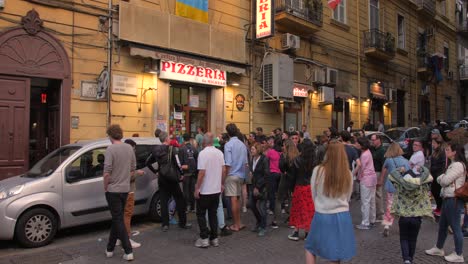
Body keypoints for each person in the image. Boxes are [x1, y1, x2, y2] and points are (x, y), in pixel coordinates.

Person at [305, 140, 356, 264]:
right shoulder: (348, 174)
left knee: (311, 247)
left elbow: (314, 193)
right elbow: (348, 196)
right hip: (342, 215)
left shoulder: (318, 170)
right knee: (336, 253)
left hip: (322, 213)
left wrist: (320, 204)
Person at [389, 151, 433, 264]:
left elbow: (392, 174)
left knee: (403, 238)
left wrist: (401, 170)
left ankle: (406, 260)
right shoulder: (422, 185)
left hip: (404, 217)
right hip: (416, 217)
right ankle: (411, 259)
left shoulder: (400, 183)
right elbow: (429, 176)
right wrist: (422, 168)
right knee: (413, 239)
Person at [425, 143, 467, 263]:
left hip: (453, 199)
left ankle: (459, 253)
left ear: (454, 152)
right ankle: (439, 247)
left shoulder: (458, 165)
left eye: (448, 149)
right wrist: (442, 178)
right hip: (448, 198)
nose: (446, 152)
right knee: (443, 225)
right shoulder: (454, 164)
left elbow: (444, 181)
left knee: (455, 227)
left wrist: (441, 178)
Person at [146, 131, 191, 232]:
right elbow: (178, 164)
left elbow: (147, 162)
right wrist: (181, 174)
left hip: (162, 177)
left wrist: (156, 171)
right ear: (166, 139)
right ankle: (183, 222)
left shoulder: (155, 149)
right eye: (169, 138)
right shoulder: (172, 149)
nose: (170, 139)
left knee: (163, 200)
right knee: (180, 199)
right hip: (172, 178)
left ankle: (165, 224)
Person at [103, 124, 136, 261]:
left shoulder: (110, 149)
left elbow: (106, 172)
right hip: (125, 190)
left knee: (118, 219)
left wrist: (105, 187)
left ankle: (128, 250)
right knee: (117, 218)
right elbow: (133, 168)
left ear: (110, 135)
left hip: (113, 190)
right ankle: (109, 248)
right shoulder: (129, 148)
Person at [194, 133, 226, 248]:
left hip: (205, 190)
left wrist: (197, 187)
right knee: (213, 214)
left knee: (201, 214)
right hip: (216, 190)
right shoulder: (219, 153)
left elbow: (201, 173)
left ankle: (204, 238)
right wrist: (222, 184)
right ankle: (214, 238)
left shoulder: (202, 154)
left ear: (203, 142)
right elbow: (223, 170)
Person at [377, 142, 410, 237]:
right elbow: (408, 174)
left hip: (391, 186)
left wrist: (380, 180)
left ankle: (387, 226)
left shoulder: (388, 160)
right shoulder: (405, 161)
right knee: (402, 207)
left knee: (390, 206)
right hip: (402, 187)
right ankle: (402, 227)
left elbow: (384, 171)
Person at [287, 141, 316, 241]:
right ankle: (308, 233)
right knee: (309, 209)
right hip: (309, 188)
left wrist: (291, 189)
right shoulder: (313, 161)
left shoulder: (297, 160)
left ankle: (296, 231)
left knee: (298, 209)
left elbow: (292, 177)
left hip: (299, 187)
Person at [118, 139, 144, 249]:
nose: (133, 151)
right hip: (129, 190)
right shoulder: (128, 160)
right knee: (127, 215)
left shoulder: (119, 157)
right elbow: (128, 176)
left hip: (120, 190)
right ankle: (127, 239)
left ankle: (118, 238)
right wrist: (137, 173)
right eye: (133, 149)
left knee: (119, 216)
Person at [224, 123, 248, 231]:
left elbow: (228, 163)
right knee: (237, 199)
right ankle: (239, 222)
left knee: (233, 200)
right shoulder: (242, 144)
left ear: (228, 133)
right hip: (241, 174)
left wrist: (224, 176)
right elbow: (246, 162)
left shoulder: (228, 145)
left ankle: (236, 224)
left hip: (232, 174)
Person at [354, 137, 377, 230]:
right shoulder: (368, 152)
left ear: (361, 145)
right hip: (372, 178)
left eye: (357, 144)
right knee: (371, 200)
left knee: (365, 201)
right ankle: (372, 220)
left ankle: (365, 222)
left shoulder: (364, 155)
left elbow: (361, 168)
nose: (356, 145)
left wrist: (356, 176)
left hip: (366, 179)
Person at [249, 143, 270, 237]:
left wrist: (258, 187)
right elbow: (253, 171)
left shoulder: (264, 159)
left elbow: (266, 175)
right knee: (251, 204)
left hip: (262, 187)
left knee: (262, 207)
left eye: (253, 149)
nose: (251, 151)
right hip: (254, 186)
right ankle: (259, 221)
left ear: (258, 150)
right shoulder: (252, 159)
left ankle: (263, 227)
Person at [265, 136, 282, 229]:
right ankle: (280, 208)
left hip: (272, 174)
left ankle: (272, 208)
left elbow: (266, 160)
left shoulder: (271, 152)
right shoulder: (282, 153)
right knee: (278, 193)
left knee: (271, 193)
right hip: (280, 174)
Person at [179, 133, 199, 213]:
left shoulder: (181, 149)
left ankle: (187, 207)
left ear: (183, 139)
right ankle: (193, 207)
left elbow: (179, 162)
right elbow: (197, 160)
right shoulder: (194, 149)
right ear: (190, 139)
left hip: (186, 173)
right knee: (192, 190)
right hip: (193, 173)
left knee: (186, 190)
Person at [371, 134, 386, 222]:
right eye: (371, 140)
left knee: (378, 194)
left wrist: (381, 178)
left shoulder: (382, 151)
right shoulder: (373, 149)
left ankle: (380, 214)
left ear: (379, 140)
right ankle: (377, 213)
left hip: (378, 172)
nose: (372, 142)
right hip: (372, 173)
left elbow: (384, 166)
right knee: (374, 194)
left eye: (373, 140)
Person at [430, 139, 446, 217]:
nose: (432, 145)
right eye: (432, 143)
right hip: (433, 175)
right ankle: (438, 207)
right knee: (433, 191)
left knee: (437, 192)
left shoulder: (442, 153)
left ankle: (440, 208)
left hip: (438, 176)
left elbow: (443, 165)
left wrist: (440, 174)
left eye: (434, 143)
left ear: (439, 144)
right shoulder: (434, 152)